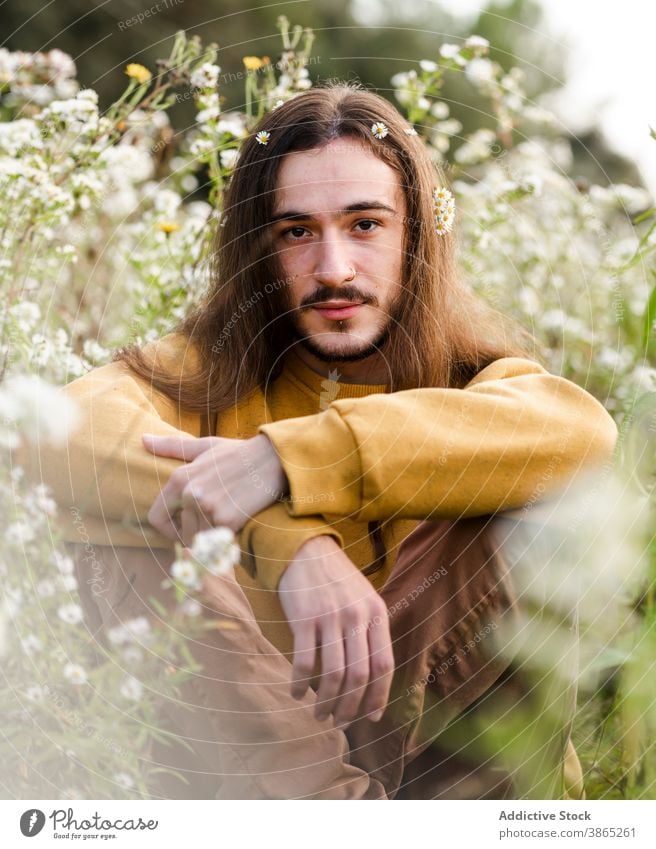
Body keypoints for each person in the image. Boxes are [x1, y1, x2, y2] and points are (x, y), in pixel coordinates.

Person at [27, 82, 617, 799]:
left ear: (417, 235)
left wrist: (286, 461)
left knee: (528, 507)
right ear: (259, 251)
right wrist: (287, 539)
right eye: (297, 231)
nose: (334, 268)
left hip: (445, 756)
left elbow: (581, 432)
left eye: (365, 224)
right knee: (114, 525)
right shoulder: (203, 374)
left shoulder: (475, 380)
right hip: (265, 752)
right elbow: (55, 427)